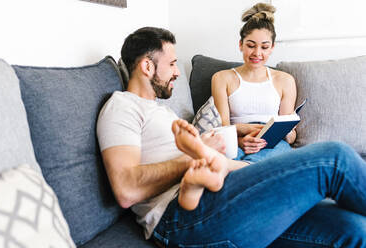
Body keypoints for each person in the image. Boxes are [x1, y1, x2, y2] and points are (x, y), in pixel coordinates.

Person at [97, 26, 366, 247]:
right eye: (172, 64)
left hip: (223, 193)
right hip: (181, 217)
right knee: (334, 158)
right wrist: (196, 155)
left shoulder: (161, 111)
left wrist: (261, 171)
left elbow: (214, 162)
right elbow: (126, 190)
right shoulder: (122, 105)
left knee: (355, 229)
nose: (177, 72)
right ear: (147, 66)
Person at [212, 3, 296, 163]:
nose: (257, 53)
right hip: (236, 141)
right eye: (250, 45)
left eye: (264, 47)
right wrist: (242, 139)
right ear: (240, 45)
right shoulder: (222, 78)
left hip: (272, 144)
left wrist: (288, 131)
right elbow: (222, 130)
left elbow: (291, 139)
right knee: (221, 158)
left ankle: (244, 169)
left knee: (266, 159)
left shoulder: (285, 80)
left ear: (272, 48)